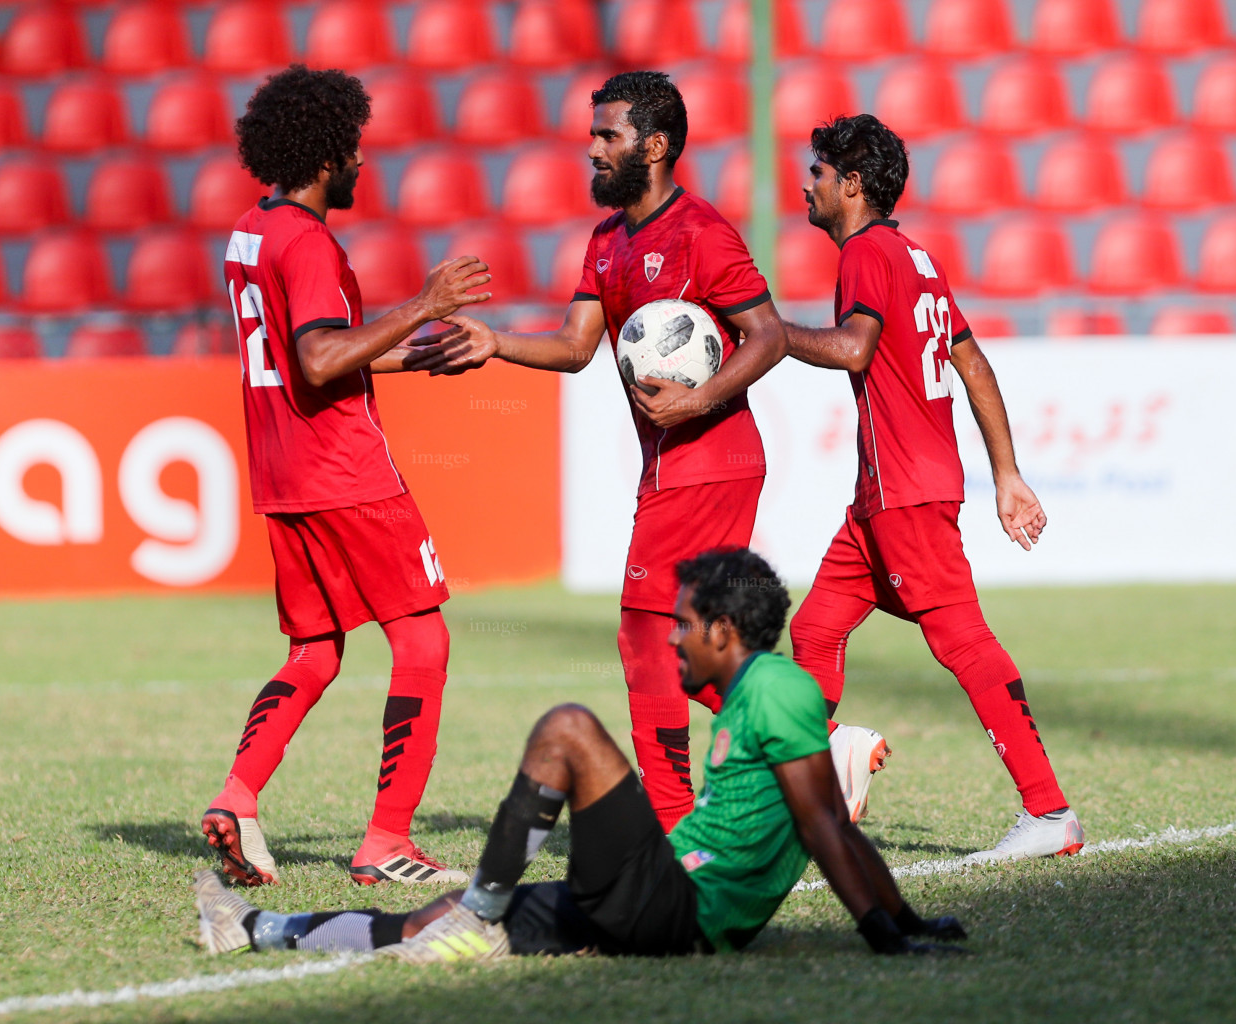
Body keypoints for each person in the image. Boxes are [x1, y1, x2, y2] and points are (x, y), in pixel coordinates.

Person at [416, 71, 886, 831]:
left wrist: (698, 398)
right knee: (679, 646)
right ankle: (821, 743)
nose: (593, 149)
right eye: (593, 135)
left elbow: (765, 335)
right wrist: (494, 342)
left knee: (644, 637)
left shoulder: (701, 232)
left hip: (712, 457)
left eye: (609, 136)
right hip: (671, 465)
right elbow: (575, 348)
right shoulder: (607, 242)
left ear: (655, 145)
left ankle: (671, 827)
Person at [194, 549, 967, 960]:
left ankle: (483, 911)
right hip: (661, 899)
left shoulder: (779, 690)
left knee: (568, 729)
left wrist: (885, 932)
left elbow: (824, 826)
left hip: (680, 905)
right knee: (438, 919)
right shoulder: (751, 690)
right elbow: (833, 819)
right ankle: (261, 929)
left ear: (725, 631)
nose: (672, 635)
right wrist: (909, 918)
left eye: (686, 623)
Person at [202, 64, 494, 888]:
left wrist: (411, 357)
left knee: (317, 651)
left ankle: (239, 798)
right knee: (423, 639)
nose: (363, 164)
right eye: (356, 150)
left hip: (284, 473)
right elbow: (322, 353)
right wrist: (426, 304)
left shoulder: (249, 232)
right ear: (328, 156)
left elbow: (312, 362)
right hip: (348, 472)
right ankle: (386, 841)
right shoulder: (311, 243)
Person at [783, 113, 1084, 862]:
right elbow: (972, 363)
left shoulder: (864, 255)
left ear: (852, 185)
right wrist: (1006, 473)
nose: (806, 184)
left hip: (905, 493)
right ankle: (823, 771)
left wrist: (768, 332)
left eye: (818, 172)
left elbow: (855, 349)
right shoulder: (916, 257)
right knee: (816, 627)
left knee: (964, 641)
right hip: (886, 497)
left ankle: (1049, 813)